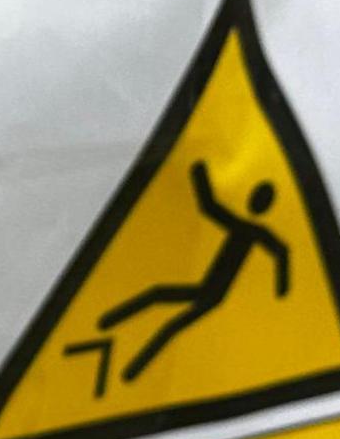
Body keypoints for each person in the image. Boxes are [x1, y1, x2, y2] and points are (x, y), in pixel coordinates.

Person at [92, 160, 294, 383]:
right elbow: (209, 207)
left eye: (259, 197)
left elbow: (282, 251)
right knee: (159, 298)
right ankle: (107, 325)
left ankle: (129, 371)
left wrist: (281, 290)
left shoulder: (255, 231)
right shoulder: (245, 227)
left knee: (170, 323)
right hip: (205, 287)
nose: (254, 199)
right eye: (256, 195)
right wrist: (199, 173)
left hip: (213, 293)